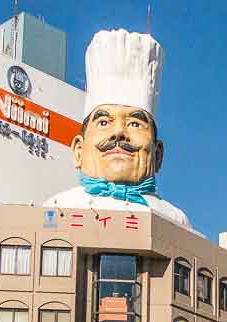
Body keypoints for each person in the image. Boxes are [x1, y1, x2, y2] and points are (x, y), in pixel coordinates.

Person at [44, 29, 193, 232]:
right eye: (104, 122)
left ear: (158, 154)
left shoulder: (175, 221)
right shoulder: (57, 208)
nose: (119, 132)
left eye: (135, 124)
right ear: (78, 150)